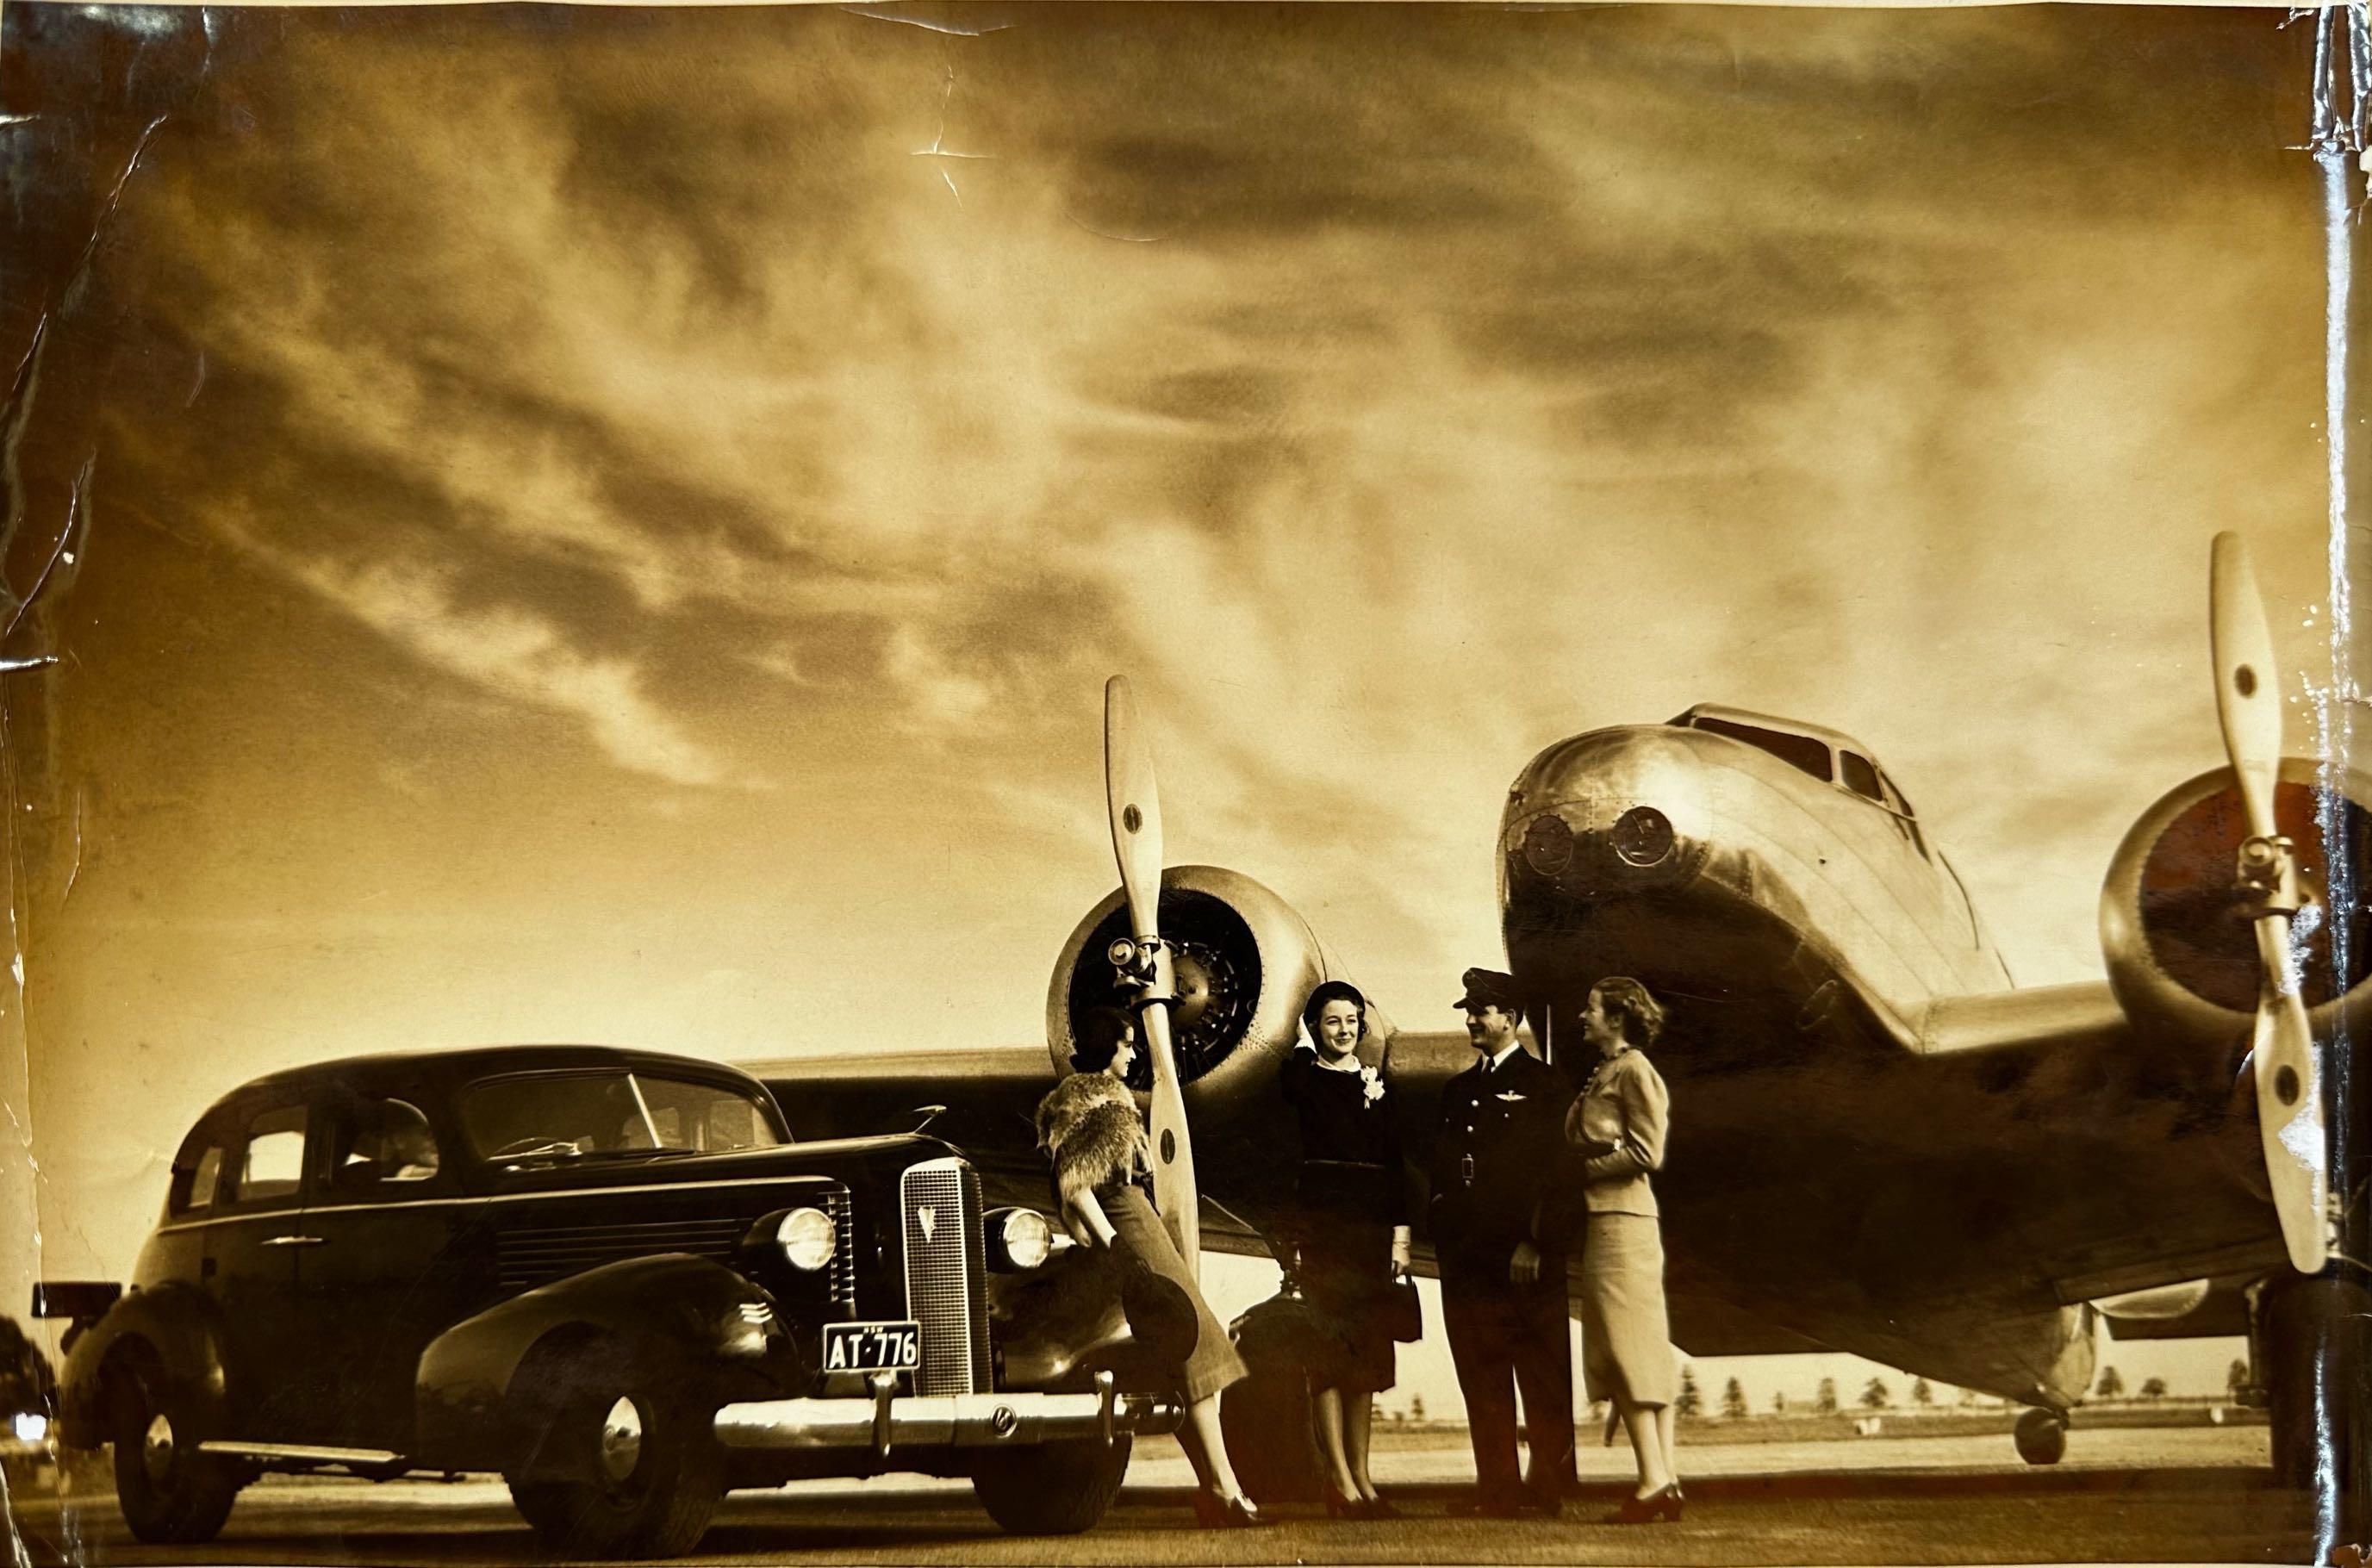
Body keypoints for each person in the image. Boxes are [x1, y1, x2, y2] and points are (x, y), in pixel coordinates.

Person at [1035, 1007, 1266, 1528]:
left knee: (1189, 1352)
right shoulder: (1092, 1097)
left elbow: (1071, 1188)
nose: (1134, 1052)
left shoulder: (1083, 1098)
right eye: (1127, 1044)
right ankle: (1225, 1489)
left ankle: (1218, 1488)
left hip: (1137, 1223)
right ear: (1108, 1048)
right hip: (1130, 1224)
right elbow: (1078, 1185)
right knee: (1199, 1345)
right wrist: (1117, 1245)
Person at [1426, 968, 1577, 1518]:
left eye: (1482, 1011)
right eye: (1470, 1010)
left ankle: (1546, 1489)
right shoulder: (1458, 1091)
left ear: (1510, 1019)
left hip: (1524, 1261)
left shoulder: (1546, 1085)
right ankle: (1497, 1490)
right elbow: (1442, 1171)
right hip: (1470, 1263)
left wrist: (1535, 1242)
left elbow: (1559, 1174)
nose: (1472, 1020)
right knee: (1482, 1374)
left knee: (1540, 1373)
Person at [1277, 980, 1412, 1520]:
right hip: (1325, 1235)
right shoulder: (1303, 1079)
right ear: (1315, 1028)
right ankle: (1338, 1480)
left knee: (1368, 1362)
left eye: (1352, 1020)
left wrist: (1401, 1236)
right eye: (1332, 1021)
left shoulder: (1377, 1085)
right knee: (1329, 1357)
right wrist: (1301, 1042)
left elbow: (1396, 1166)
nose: (1345, 1030)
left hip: (1371, 1237)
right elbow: (1291, 1075)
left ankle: (1363, 1477)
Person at [1566, 976, 1683, 1524]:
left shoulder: (1634, 1070)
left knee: (1626, 1349)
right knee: (1635, 1349)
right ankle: (1664, 1480)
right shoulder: (1609, 1069)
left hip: (1621, 1221)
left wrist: (1582, 1170)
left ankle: (1654, 1481)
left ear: (1616, 1018)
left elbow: (1648, 1150)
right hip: (1611, 1221)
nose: (1582, 1016)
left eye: (1590, 1009)